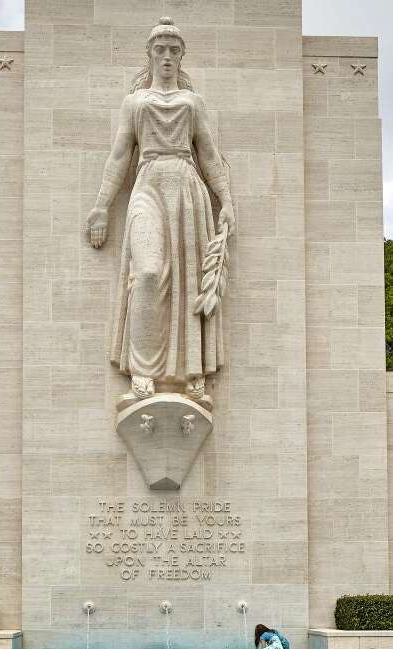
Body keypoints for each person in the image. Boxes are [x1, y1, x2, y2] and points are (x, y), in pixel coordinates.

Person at [86, 17, 235, 401]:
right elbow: (119, 157)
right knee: (148, 273)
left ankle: (191, 374)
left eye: (173, 50)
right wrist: (102, 208)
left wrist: (227, 202)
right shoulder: (135, 102)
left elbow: (210, 155)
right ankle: (142, 370)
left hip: (187, 187)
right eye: (160, 49)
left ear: (181, 56)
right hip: (147, 184)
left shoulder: (192, 102)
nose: (167, 56)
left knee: (188, 283)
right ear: (150, 54)